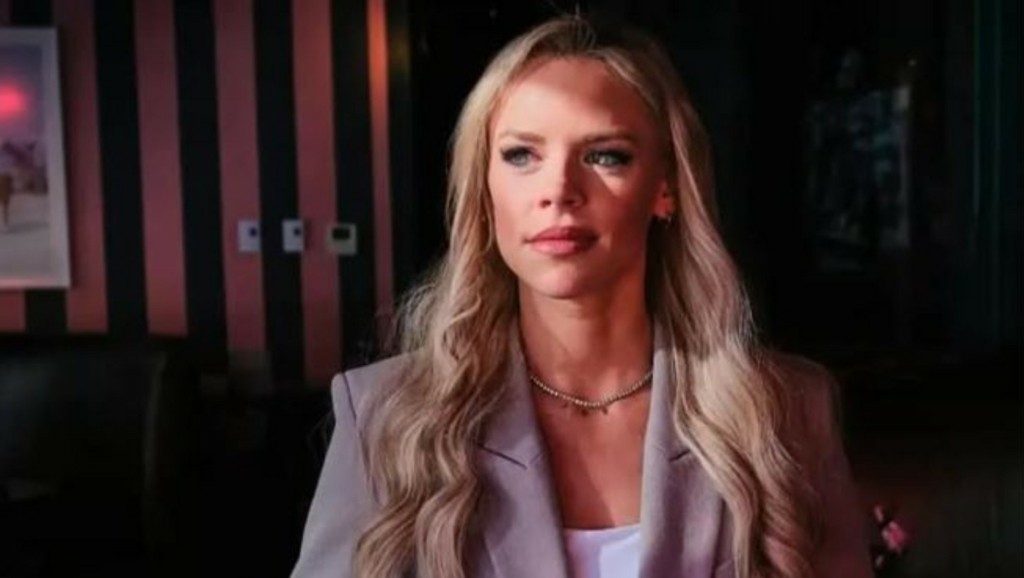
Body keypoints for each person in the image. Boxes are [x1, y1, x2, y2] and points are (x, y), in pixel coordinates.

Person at [292, 16, 872, 578]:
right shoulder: (385, 417)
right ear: (485, 190)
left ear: (665, 187)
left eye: (605, 155)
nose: (559, 190)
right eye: (521, 155)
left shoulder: (786, 411)